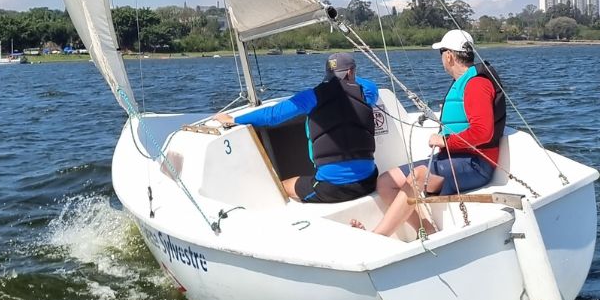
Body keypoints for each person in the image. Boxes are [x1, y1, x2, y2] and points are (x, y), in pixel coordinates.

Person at [367, 28, 505, 237]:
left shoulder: (477, 84)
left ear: (449, 55)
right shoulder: (462, 83)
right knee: (386, 182)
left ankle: (378, 236)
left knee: (418, 176)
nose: (441, 58)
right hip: (453, 161)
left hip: (477, 165)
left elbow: (483, 133)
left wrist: (445, 141)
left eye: (441, 53)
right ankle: (427, 229)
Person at [213, 51, 379, 203]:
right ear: (351, 72)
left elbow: (272, 116)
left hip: (332, 189)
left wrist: (233, 118)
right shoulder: (367, 93)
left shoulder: (312, 97)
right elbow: (369, 85)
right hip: (369, 181)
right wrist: (348, 77)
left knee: (282, 186)